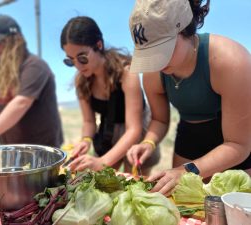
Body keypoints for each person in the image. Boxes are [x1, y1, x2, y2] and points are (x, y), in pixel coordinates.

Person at [127, 0, 251, 195]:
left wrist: (188, 170)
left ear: (184, 28)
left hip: (234, 149)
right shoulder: (153, 74)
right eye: (149, 53)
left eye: (162, 49)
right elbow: (159, 119)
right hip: (189, 136)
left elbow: (239, 144)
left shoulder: (231, 60)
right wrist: (148, 143)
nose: (157, 63)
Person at [60, 16, 160, 173]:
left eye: (82, 57)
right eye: (70, 61)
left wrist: (103, 161)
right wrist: (85, 140)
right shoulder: (82, 81)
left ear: (98, 45)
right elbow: (88, 122)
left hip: (136, 134)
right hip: (108, 131)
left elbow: (133, 129)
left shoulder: (126, 72)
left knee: (132, 182)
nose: (78, 66)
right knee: (101, 182)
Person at [0, 14, 63, 149]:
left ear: (15, 41)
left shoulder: (34, 66)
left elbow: (21, 103)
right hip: (12, 151)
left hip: (41, 152)